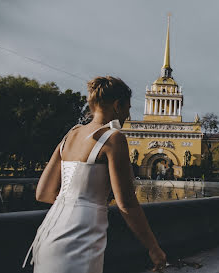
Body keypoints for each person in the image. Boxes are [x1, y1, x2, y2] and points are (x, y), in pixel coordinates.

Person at [23, 76, 166, 273]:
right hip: (82, 238)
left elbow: (43, 193)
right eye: (128, 108)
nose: (128, 115)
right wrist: (154, 248)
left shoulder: (70, 135)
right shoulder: (113, 138)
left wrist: (79, 199)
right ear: (117, 105)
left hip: (49, 235)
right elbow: (127, 203)